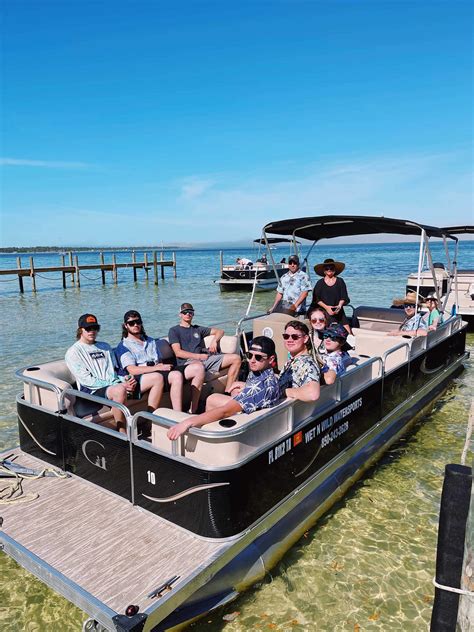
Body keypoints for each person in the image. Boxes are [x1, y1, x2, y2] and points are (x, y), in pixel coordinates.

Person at [167, 336, 280, 440]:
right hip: (256, 414)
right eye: (250, 355)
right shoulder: (266, 376)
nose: (252, 360)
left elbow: (225, 412)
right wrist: (245, 386)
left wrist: (187, 422)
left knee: (212, 399)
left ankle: (205, 436)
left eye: (259, 357)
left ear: (271, 359)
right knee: (220, 395)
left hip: (248, 423)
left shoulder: (258, 387)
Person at [65, 314, 136, 433]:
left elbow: (117, 370)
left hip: (113, 385)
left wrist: (127, 379)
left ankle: (150, 421)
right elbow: (87, 381)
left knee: (155, 378)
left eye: (95, 328)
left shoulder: (105, 346)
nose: (92, 331)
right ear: (80, 330)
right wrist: (117, 385)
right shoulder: (74, 352)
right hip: (91, 391)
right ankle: (122, 431)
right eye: (88, 329)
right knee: (119, 390)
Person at [168, 303, 242, 410]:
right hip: (188, 363)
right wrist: (198, 356)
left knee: (236, 358)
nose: (188, 314)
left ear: (193, 314)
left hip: (205, 359)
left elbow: (220, 331)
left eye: (190, 312)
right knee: (199, 367)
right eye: (185, 312)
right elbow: (178, 352)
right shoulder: (174, 331)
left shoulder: (197, 329)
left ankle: (227, 393)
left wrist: (214, 341)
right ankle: (194, 409)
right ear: (180, 314)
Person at [116, 310, 184, 411]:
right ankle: (150, 417)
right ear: (126, 326)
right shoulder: (123, 346)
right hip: (138, 377)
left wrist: (160, 367)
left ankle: (178, 413)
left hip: (156, 371)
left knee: (177, 375)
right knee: (157, 377)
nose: (135, 325)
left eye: (138, 322)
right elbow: (132, 370)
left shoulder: (151, 341)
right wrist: (156, 368)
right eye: (131, 323)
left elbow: (158, 361)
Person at [279, 321, 320, 401]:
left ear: (305, 339)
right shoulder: (293, 360)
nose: (289, 340)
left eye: (295, 337)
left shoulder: (306, 364)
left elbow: (313, 394)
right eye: (286, 336)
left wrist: (283, 392)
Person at [311, 258, 351, 333]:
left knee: (349, 334)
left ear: (334, 270)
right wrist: (327, 308)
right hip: (324, 312)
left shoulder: (340, 281)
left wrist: (339, 306)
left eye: (331, 268)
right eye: (327, 268)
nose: (329, 270)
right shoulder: (320, 283)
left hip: (339, 311)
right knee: (331, 333)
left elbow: (344, 296)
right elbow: (316, 299)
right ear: (324, 271)